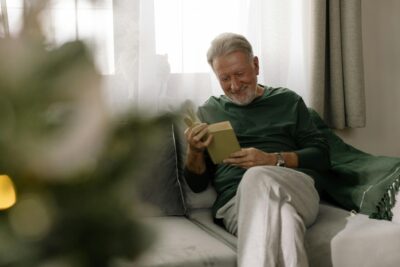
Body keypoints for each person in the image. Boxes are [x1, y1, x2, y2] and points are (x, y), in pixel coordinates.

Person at [183, 32, 331, 267]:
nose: (234, 85)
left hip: (295, 190)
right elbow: (197, 185)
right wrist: (194, 151)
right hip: (235, 204)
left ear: (256, 64)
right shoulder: (209, 112)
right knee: (287, 222)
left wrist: (272, 160)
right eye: (224, 78)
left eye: (240, 74)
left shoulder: (288, 101)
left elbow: (322, 156)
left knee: (257, 174)